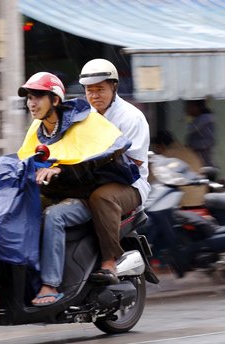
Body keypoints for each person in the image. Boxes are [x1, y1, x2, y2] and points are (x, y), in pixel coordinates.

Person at [16, 71, 140, 306]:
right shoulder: (37, 128)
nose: (31, 103)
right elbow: (25, 159)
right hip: (56, 193)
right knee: (20, 210)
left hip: (86, 193)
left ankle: (50, 284)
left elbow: (100, 156)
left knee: (54, 216)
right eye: (29, 97)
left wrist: (62, 169)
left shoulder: (85, 121)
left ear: (55, 100)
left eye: (38, 97)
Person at [78, 58, 151, 286]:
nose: (95, 96)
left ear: (114, 87)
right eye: (90, 90)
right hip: (89, 179)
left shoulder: (131, 117)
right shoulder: (81, 116)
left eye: (100, 89)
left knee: (102, 198)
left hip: (129, 184)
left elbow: (135, 162)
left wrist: (97, 164)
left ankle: (109, 260)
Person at [184, 99, 216, 167]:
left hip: (204, 164)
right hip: (199, 163)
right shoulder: (200, 121)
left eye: (188, 106)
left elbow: (208, 142)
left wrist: (191, 145)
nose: (186, 109)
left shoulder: (205, 121)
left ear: (196, 107)